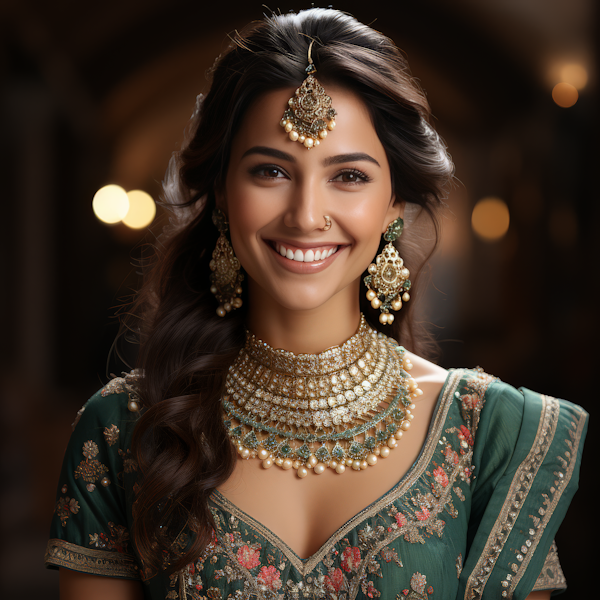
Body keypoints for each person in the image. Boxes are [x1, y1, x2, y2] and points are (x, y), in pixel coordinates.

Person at [45, 8, 587, 600]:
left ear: (394, 207)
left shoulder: (489, 432)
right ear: (222, 196)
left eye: (348, 176)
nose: (305, 215)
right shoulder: (125, 428)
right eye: (271, 171)